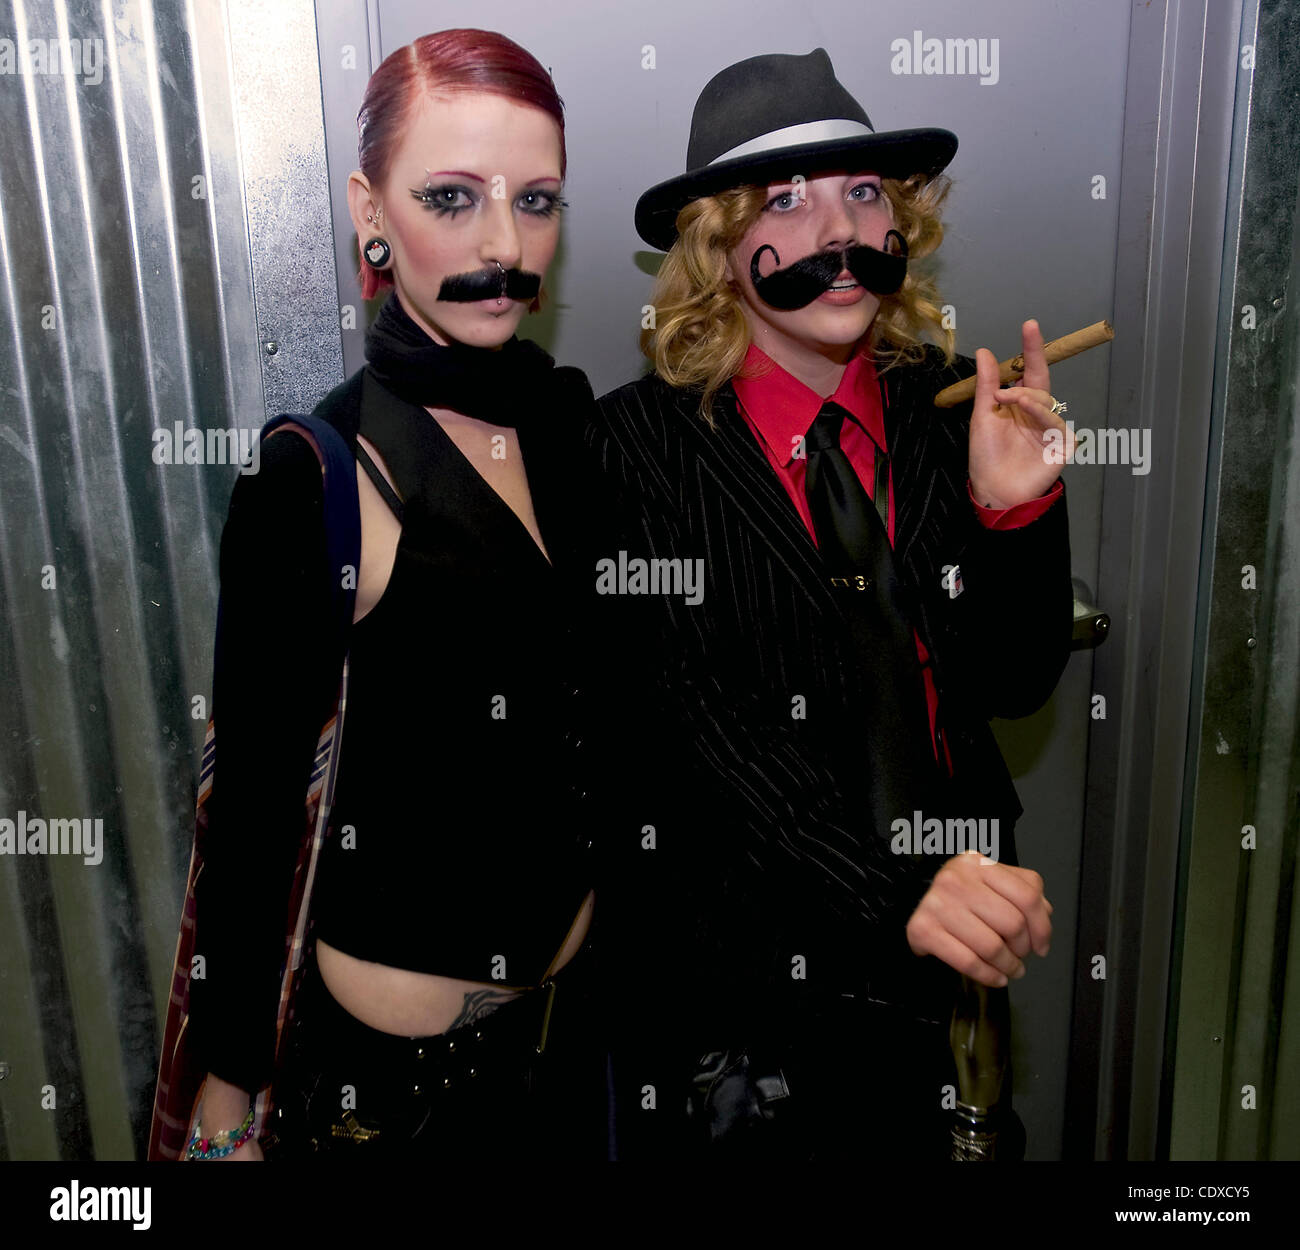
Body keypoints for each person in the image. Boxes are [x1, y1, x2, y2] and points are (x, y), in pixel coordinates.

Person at [585, 47, 1074, 1159]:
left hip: (954, 949)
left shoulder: (950, 410)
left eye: (862, 192)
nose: (836, 234)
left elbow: (1011, 678)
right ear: (716, 247)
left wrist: (1016, 513)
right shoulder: (633, 446)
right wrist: (901, 881)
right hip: (747, 992)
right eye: (786, 202)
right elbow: (705, 721)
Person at [159, 29, 615, 1161]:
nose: (504, 244)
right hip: (392, 1102)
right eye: (450, 198)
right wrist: (227, 1103)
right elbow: (254, 821)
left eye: (538, 199)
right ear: (371, 208)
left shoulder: (567, 426)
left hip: (571, 1054)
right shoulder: (315, 474)